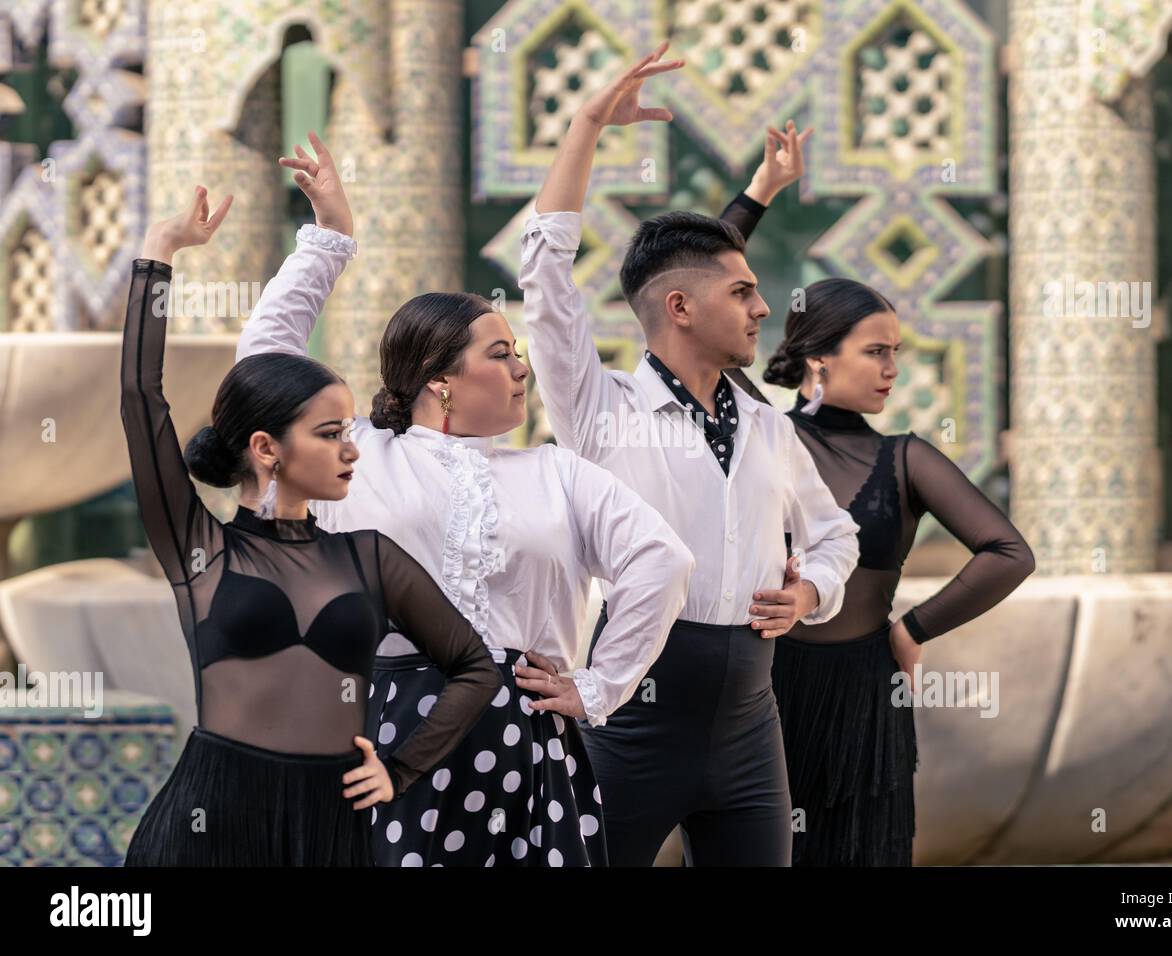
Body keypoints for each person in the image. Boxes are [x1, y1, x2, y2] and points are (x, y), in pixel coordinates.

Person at [236, 134, 695, 867]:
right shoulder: (355, 455)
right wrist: (328, 241)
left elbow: (663, 562)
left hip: (523, 742)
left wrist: (598, 687)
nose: (522, 371)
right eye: (501, 354)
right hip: (378, 735)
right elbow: (262, 368)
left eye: (519, 354)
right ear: (440, 379)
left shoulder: (555, 472)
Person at [521, 44, 859, 867]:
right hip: (632, 719)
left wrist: (813, 589)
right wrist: (588, 123)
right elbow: (545, 275)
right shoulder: (602, 409)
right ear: (679, 307)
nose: (763, 307)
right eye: (742, 294)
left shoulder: (770, 426)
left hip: (752, 733)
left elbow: (835, 535)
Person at [120, 187, 502, 866]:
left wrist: (401, 768)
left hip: (333, 823)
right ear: (266, 448)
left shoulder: (369, 559)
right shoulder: (201, 548)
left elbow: (475, 667)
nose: (352, 447)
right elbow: (140, 400)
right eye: (330, 433)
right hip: (211, 818)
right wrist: (159, 251)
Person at [758, 273, 1036, 866]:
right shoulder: (760, 437)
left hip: (865, 697)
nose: (893, 369)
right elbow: (696, 275)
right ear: (818, 359)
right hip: (761, 689)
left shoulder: (906, 459)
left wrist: (912, 629)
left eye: (895, 353)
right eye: (875, 351)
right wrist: (760, 194)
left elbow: (1009, 553)